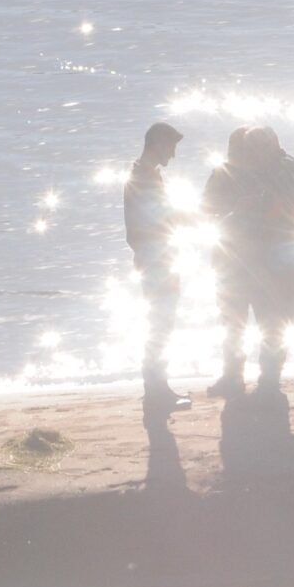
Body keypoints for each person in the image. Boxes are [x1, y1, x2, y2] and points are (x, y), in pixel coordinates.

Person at [204, 127, 294, 408]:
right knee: (273, 321)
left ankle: (281, 383)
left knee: (280, 322)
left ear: (267, 147)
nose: (251, 157)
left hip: (278, 259)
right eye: (247, 151)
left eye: (254, 150)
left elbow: (275, 213)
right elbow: (210, 207)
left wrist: (246, 208)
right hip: (273, 256)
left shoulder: (281, 173)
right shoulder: (288, 169)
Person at [125, 122, 186, 411]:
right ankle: (156, 389)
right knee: (161, 324)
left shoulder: (145, 174)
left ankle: (157, 387)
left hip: (155, 258)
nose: (173, 155)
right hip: (156, 261)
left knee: (160, 323)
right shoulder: (144, 178)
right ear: (159, 144)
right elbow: (160, 220)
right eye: (171, 147)